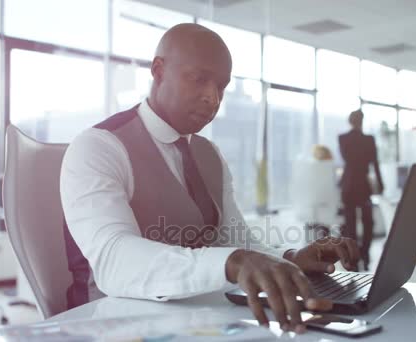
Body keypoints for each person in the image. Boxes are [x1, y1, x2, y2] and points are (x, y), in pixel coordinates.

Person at [60, 23, 360, 333]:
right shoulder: (98, 146)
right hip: (108, 326)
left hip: (194, 320)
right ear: (159, 71)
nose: (213, 98)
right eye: (198, 79)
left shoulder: (209, 154)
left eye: (221, 85)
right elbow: (114, 261)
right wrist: (232, 262)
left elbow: (235, 241)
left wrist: (290, 258)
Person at [338, 110, 384, 271]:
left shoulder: (343, 138)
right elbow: (375, 163)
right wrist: (380, 183)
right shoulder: (368, 140)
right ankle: (363, 254)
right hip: (362, 184)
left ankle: (356, 256)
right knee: (366, 222)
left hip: (349, 184)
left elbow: (348, 159)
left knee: (351, 223)